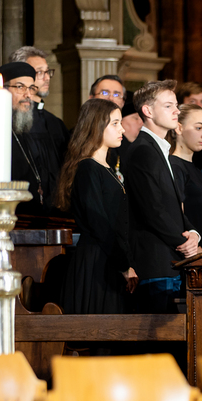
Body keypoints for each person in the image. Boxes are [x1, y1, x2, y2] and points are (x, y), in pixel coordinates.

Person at [124, 80, 201, 314]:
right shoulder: (142, 150)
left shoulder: (159, 149)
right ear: (148, 111)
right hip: (156, 263)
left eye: (176, 105)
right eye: (168, 106)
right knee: (159, 333)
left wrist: (193, 233)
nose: (177, 111)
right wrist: (183, 243)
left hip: (170, 260)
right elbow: (152, 209)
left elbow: (172, 206)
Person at [56, 99, 137, 315]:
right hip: (96, 262)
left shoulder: (106, 167)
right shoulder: (88, 168)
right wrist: (123, 265)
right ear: (96, 126)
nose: (122, 129)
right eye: (115, 123)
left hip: (108, 259)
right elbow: (99, 222)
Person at [0, 63, 54, 210]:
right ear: (3, 89)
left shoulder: (22, 122)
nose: (28, 95)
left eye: (31, 88)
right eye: (20, 87)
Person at [8, 46, 69, 209]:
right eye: (39, 72)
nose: (47, 77)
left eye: (48, 72)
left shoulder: (56, 123)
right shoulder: (11, 121)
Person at [168, 104, 202, 252]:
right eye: (198, 128)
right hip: (190, 254)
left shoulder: (194, 169)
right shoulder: (175, 166)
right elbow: (176, 216)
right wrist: (197, 249)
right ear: (179, 128)